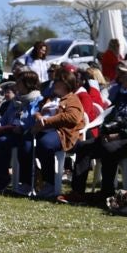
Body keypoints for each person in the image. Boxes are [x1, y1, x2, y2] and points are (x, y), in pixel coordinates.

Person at [69, 64, 127, 201]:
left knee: (108, 148)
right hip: (113, 137)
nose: (125, 79)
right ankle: (77, 192)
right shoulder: (125, 97)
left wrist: (118, 135)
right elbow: (111, 116)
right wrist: (105, 131)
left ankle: (107, 192)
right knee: (83, 146)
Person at [25, 64, 89, 199]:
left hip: (63, 133)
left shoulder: (72, 99)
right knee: (25, 144)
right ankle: (26, 183)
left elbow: (72, 117)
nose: (54, 84)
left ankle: (50, 183)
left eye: (57, 81)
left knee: (45, 144)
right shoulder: (50, 98)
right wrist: (38, 116)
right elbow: (38, 111)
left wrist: (47, 121)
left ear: (65, 83)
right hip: (45, 130)